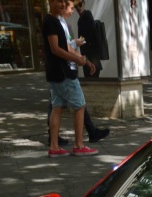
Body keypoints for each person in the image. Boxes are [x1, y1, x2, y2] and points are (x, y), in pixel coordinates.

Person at [43, 0, 96, 156]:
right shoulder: (51, 22)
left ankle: (54, 147)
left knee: (57, 107)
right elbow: (56, 49)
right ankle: (79, 145)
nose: (61, 4)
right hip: (63, 72)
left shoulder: (54, 21)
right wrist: (77, 60)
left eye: (63, 1)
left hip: (56, 72)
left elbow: (65, 46)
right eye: (58, 1)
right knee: (79, 105)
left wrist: (83, 60)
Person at [69, 0, 110, 142]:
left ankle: (89, 133)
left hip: (90, 58)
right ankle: (87, 135)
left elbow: (91, 39)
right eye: (75, 7)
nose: (77, 9)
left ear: (84, 4)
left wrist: (87, 59)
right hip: (87, 59)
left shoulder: (86, 17)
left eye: (79, 5)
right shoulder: (82, 19)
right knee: (68, 103)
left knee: (77, 100)